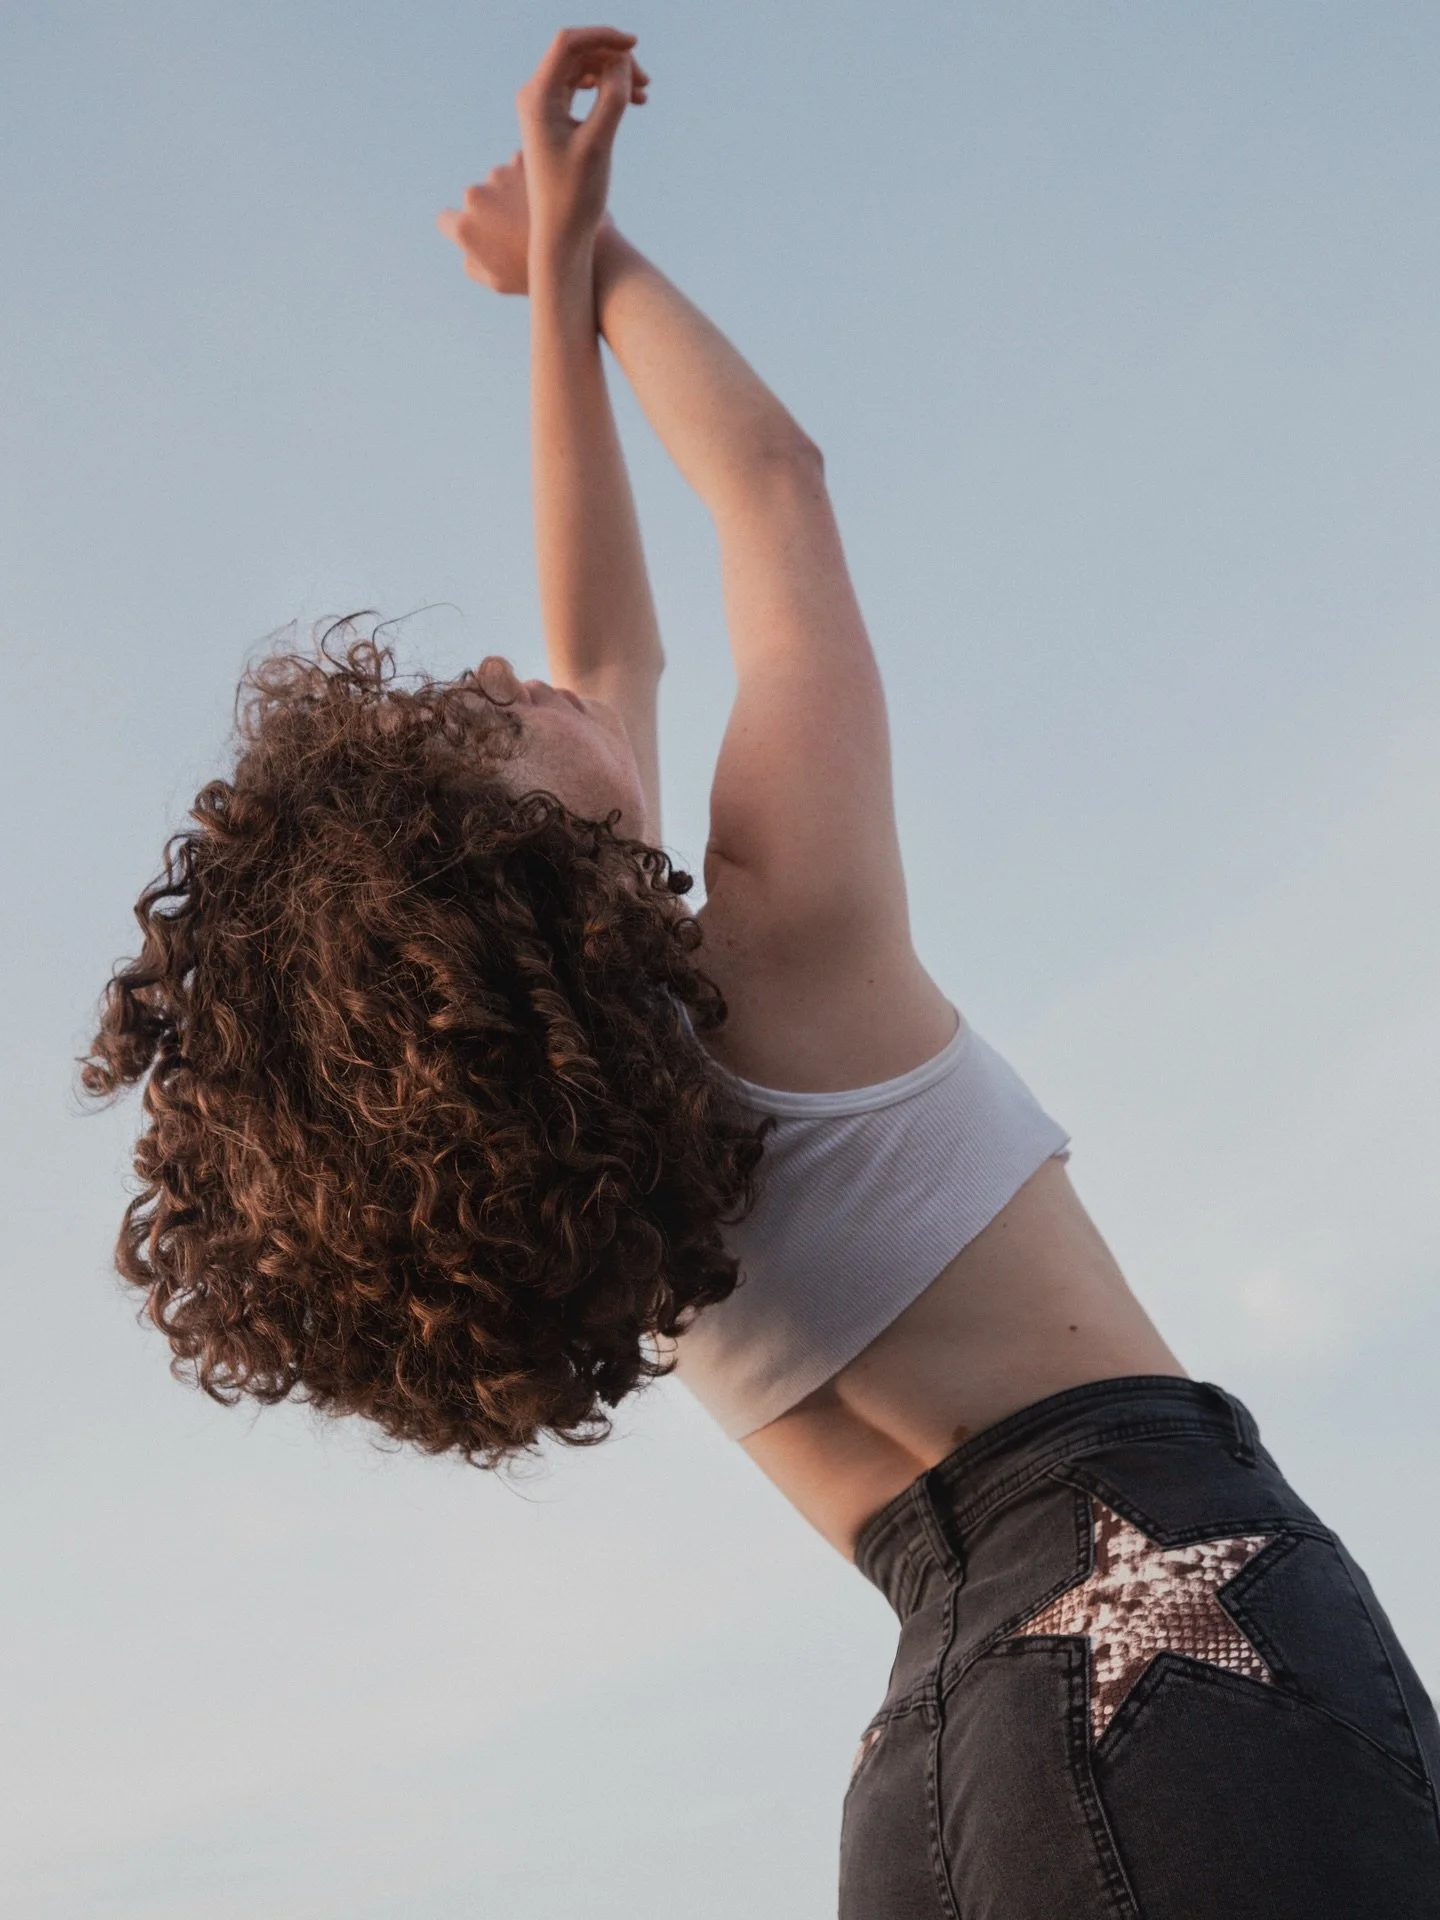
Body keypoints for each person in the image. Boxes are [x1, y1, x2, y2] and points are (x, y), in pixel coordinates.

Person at [86, 26, 1440, 1917]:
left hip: (924, 1756)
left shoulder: (605, 1175)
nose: (503, 674)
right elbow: (776, 491)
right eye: (483, 729)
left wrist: (556, 260)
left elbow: (605, 643)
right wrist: (609, 271)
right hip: (1181, 1621)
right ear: (532, 874)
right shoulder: (786, 929)